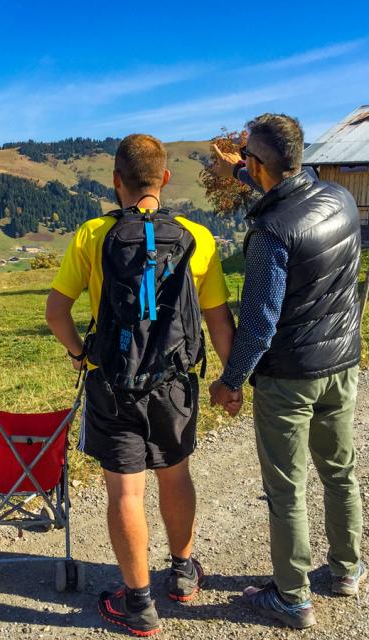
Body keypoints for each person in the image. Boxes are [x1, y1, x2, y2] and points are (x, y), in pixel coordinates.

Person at [46, 134, 238, 637]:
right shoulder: (198, 237)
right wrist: (231, 378)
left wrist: (78, 353)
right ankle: (181, 573)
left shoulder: (93, 234)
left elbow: (56, 312)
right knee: (175, 476)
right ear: (165, 179)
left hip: (111, 381)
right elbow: (219, 321)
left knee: (125, 493)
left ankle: (138, 605)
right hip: (174, 383)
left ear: (116, 181)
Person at [209, 113, 365, 629]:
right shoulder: (338, 197)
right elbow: (283, 187)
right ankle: (347, 570)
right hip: (342, 363)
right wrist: (238, 171)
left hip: (290, 377)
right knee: (340, 471)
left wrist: (230, 382)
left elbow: (257, 325)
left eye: (248, 159)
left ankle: (293, 597)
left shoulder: (270, 233)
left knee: (287, 488)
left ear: (261, 163)